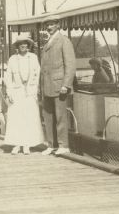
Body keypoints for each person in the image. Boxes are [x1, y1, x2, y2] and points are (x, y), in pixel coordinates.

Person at [40, 15, 76, 155]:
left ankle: (63, 145)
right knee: (48, 115)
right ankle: (51, 144)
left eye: (52, 24)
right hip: (47, 86)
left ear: (58, 25)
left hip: (59, 86)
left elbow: (71, 65)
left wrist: (66, 84)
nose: (49, 27)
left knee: (61, 116)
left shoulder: (64, 41)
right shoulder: (48, 42)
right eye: (47, 25)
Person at [4, 35, 44, 154]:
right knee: (16, 118)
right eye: (21, 43)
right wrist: (9, 92)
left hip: (30, 92)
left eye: (25, 43)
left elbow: (38, 74)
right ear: (17, 45)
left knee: (29, 117)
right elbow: (8, 77)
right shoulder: (12, 59)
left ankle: (27, 144)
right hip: (17, 92)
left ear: (28, 45)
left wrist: (35, 88)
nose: (23, 45)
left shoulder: (33, 57)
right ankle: (17, 144)